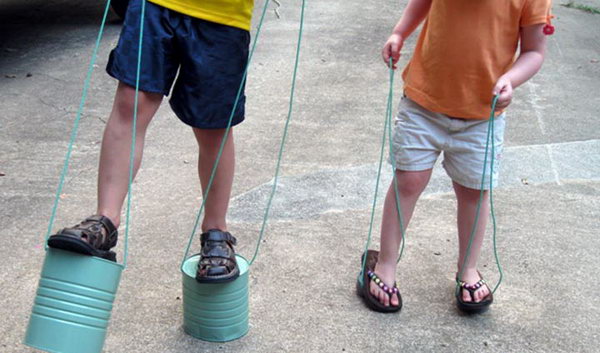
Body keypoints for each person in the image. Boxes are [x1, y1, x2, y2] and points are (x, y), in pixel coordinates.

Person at [357, 0, 552, 313]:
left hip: (482, 115)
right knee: (409, 180)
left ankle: (468, 269)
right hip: (423, 102)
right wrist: (399, 33)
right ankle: (386, 264)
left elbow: (534, 51)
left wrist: (511, 79)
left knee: (474, 191)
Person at [47, 0, 255, 284]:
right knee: (130, 105)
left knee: (213, 128)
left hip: (223, 15)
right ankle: (105, 220)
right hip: (154, 6)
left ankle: (216, 232)